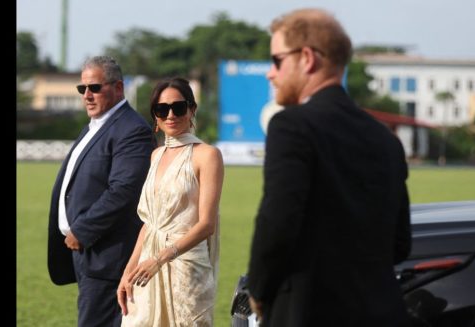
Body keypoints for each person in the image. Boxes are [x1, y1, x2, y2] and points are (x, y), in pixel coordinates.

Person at [247, 9, 412, 327]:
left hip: (307, 311)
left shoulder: (291, 126)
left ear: (306, 58)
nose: (271, 73)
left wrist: (258, 289)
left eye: (277, 60)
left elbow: (277, 222)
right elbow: (400, 243)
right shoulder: (386, 139)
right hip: (383, 311)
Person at [47, 56, 155, 326]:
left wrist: (82, 230)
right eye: (82, 89)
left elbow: (124, 191)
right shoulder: (95, 126)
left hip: (108, 258)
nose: (87, 95)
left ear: (118, 88)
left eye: (94, 87)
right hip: (88, 255)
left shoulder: (132, 130)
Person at [117, 77, 224, 326]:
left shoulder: (207, 155)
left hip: (186, 269)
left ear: (192, 109)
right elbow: (150, 223)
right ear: (154, 115)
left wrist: (160, 258)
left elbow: (207, 224)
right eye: (162, 109)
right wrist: (128, 271)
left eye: (178, 107)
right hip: (146, 268)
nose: (170, 115)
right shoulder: (156, 155)